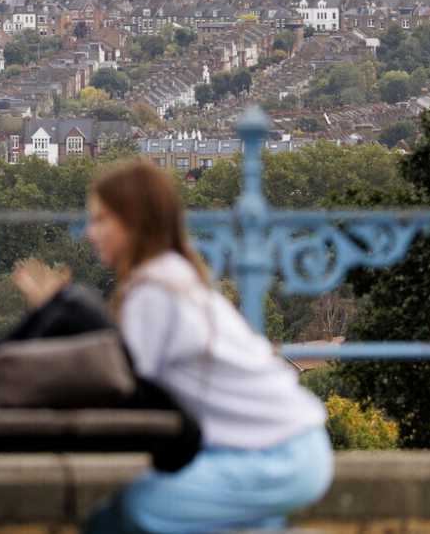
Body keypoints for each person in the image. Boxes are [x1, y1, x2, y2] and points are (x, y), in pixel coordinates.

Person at [81, 160, 332, 534]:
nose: (90, 232)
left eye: (102, 220)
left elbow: (122, 389)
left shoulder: (153, 293)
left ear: (133, 223)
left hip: (275, 456)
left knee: (131, 512)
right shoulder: (175, 277)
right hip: (292, 447)